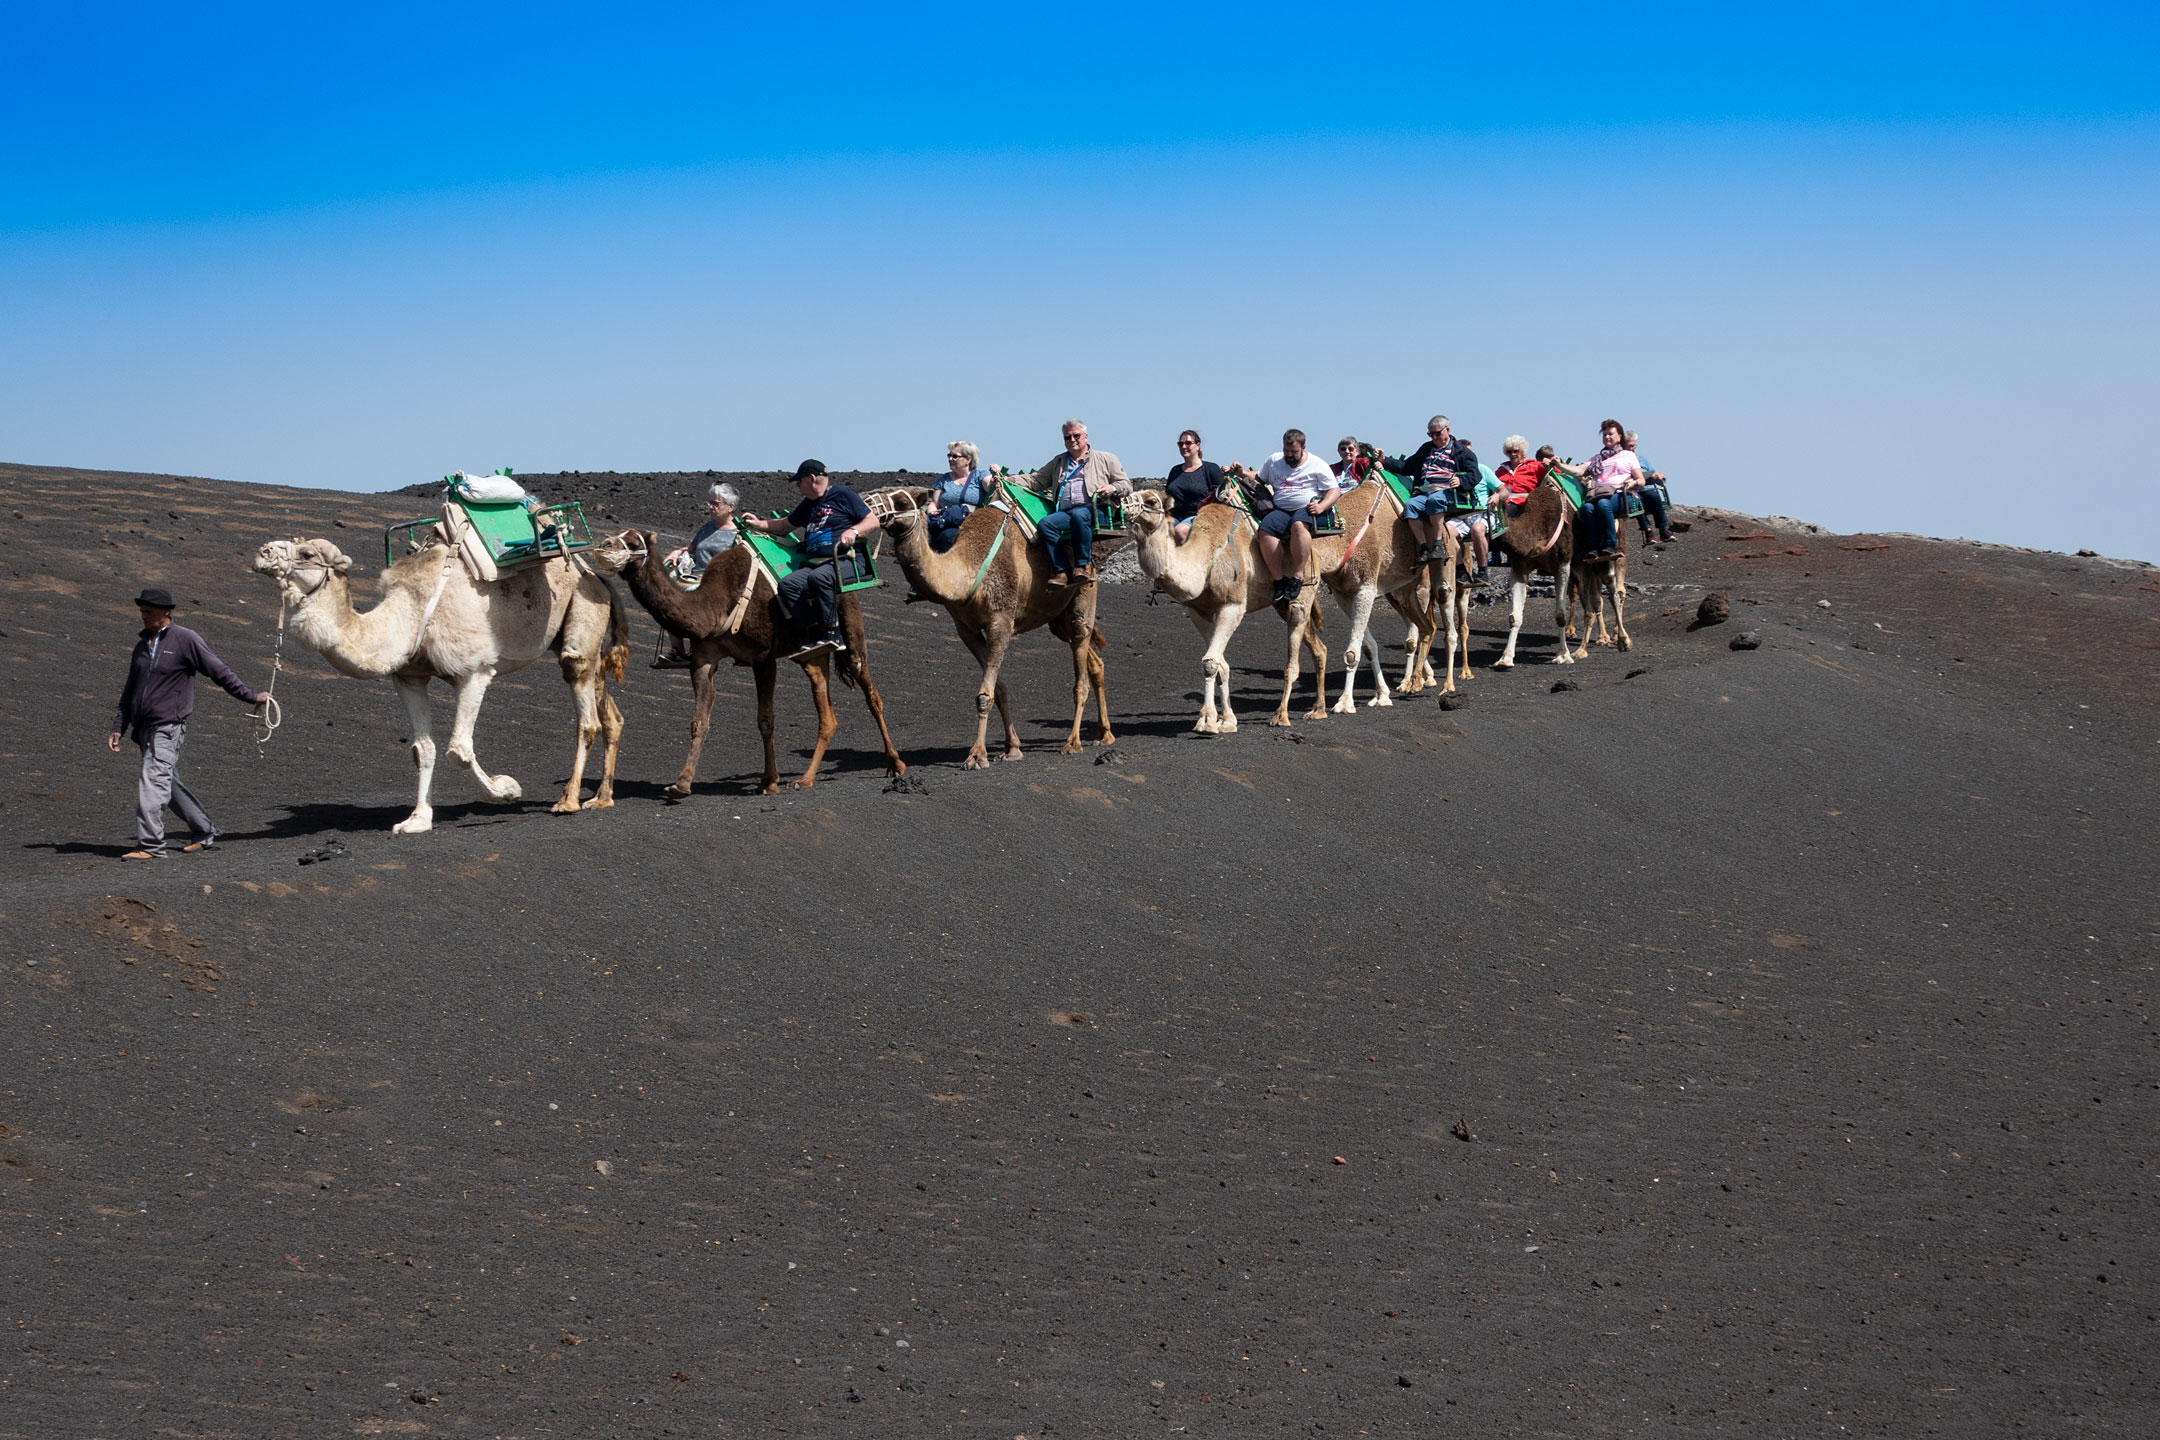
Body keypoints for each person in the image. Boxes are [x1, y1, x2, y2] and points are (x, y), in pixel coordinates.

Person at [107, 587, 267, 860]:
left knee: (153, 781)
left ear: (166, 612)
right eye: (142, 612)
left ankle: (151, 846)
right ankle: (204, 831)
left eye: (149, 612)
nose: (144, 617)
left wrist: (251, 696)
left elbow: (219, 671)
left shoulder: (185, 640)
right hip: (143, 729)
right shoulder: (142, 645)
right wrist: (119, 725)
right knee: (167, 784)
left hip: (168, 726)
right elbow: (131, 688)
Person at [738, 460, 878, 658]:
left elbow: (873, 520)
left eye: (799, 480)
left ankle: (833, 633)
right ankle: (813, 631)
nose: (797, 485)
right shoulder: (808, 505)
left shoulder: (843, 494)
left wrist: (853, 530)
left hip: (847, 561)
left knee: (819, 578)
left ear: (811, 478)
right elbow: (785, 525)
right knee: (788, 584)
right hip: (817, 564)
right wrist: (759, 523)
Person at [1231, 429, 1340, 604]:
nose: (1289, 455)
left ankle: (1297, 576)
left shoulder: (1317, 464)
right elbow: (1259, 477)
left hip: (1308, 509)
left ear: (1303, 448)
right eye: (1286, 451)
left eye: (1293, 452)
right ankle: (1279, 580)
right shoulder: (1274, 460)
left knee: (1298, 524)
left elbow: (1334, 490)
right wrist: (1241, 472)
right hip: (1281, 509)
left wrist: (1321, 506)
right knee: (1265, 529)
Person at [1024, 418, 1133, 588]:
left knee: (1079, 515)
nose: (1072, 440)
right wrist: (1008, 479)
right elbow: (1035, 480)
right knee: (1045, 524)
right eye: (1068, 437)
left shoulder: (1106, 458)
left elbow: (1126, 485)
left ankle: (1082, 566)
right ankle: (1062, 571)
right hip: (1068, 512)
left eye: (1076, 436)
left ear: (1086, 437)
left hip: (1098, 511)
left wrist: (1112, 488)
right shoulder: (1059, 462)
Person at [653, 483, 741, 666]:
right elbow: (693, 549)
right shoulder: (707, 528)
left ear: (730, 507)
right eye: (710, 503)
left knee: (691, 598)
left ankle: (696, 648)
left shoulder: (738, 534)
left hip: (718, 585)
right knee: (667, 598)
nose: (711, 507)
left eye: (716, 504)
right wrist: (678, 551)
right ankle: (677, 650)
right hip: (695, 576)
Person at [1383, 415, 1480, 564]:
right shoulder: (1426, 449)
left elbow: (1475, 475)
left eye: (1437, 433)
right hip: (1425, 490)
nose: (1434, 437)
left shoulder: (1462, 452)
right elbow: (1406, 466)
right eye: (1431, 434)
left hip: (1448, 492)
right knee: (1410, 505)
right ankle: (1423, 547)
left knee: (1436, 500)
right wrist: (1385, 461)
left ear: (1447, 430)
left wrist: (1461, 480)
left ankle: (1438, 545)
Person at [1550, 420, 1642, 561]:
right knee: (1587, 508)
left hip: (1623, 495)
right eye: (1604, 435)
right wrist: (1559, 465)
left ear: (1619, 436)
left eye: (1610, 434)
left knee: (1603, 504)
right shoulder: (1597, 458)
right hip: (1600, 494)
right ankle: (1593, 546)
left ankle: (1611, 544)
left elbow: (1641, 480)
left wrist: (1633, 483)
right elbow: (1579, 471)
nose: (1607, 437)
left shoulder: (1628, 456)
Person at [926, 441, 991, 553]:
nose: (950, 459)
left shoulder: (979, 476)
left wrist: (996, 474)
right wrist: (932, 511)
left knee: (947, 537)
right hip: (942, 521)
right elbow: (934, 503)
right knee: (922, 536)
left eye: (955, 456)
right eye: (949, 455)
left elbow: (990, 484)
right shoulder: (944, 479)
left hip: (967, 525)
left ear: (968, 460)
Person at [1163, 429, 1225, 542]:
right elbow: (1167, 498)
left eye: (1188, 443)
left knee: (1180, 531)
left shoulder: (1210, 469)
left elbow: (1222, 496)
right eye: (1180, 444)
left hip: (1199, 516)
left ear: (1198, 445)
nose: (1183, 446)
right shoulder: (1175, 471)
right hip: (1175, 516)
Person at [1624, 430, 1676, 543]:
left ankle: (1664, 530)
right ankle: (1648, 531)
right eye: (1629, 446)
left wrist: (1658, 476)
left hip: (1647, 488)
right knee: (1637, 501)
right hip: (1633, 491)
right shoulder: (1621, 461)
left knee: (1654, 496)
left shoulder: (1643, 460)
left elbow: (1654, 474)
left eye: (1634, 446)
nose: (1632, 449)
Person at [1494, 436, 1548, 511]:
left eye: (1516, 451)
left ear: (1523, 452)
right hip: (1501, 502)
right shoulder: (1501, 470)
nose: (1512, 454)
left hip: (1523, 504)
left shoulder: (1534, 466)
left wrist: (1551, 463)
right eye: (1509, 452)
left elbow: (1555, 471)